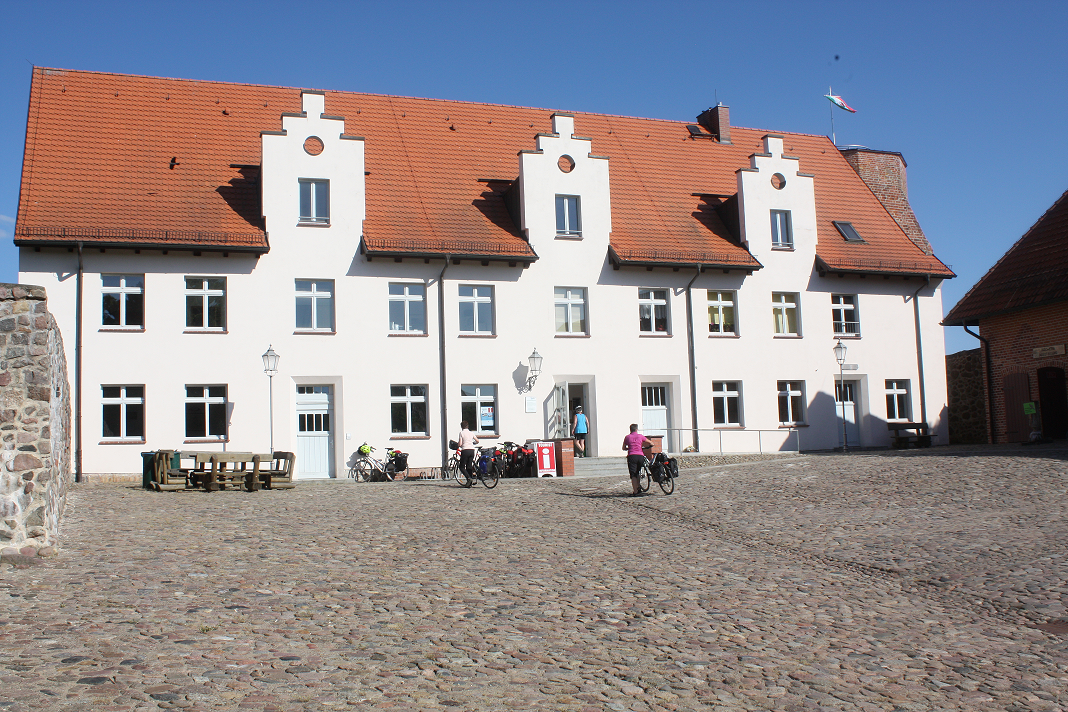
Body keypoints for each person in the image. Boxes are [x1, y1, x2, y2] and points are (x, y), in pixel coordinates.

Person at [622, 423, 652, 496]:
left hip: (632, 456)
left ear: (630, 429)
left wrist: (629, 448)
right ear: (636, 429)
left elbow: (623, 448)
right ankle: (638, 487)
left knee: (633, 475)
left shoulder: (627, 437)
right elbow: (651, 443)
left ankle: (635, 491)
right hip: (640, 456)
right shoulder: (640, 436)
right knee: (637, 472)